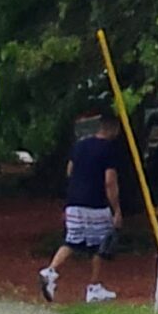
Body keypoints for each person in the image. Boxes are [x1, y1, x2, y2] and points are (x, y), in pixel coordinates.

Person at [42, 114, 124, 304]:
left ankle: (51, 271)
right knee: (100, 243)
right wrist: (117, 209)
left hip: (74, 202)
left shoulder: (80, 145)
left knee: (72, 240)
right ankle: (94, 287)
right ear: (113, 129)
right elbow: (110, 181)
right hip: (95, 203)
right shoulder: (108, 150)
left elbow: (69, 170)